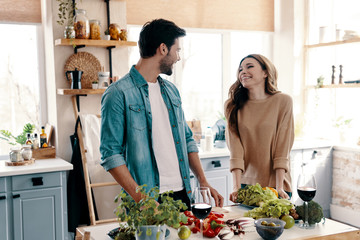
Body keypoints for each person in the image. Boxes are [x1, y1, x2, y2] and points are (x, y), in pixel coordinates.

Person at [100, 19, 224, 208]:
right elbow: (111, 154)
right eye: (178, 50)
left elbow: (188, 139)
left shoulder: (171, 91)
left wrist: (202, 180)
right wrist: (144, 200)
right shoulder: (118, 93)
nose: (178, 57)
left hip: (182, 194)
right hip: (147, 198)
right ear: (163, 49)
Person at [224, 54, 294, 202]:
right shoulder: (233, 106)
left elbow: (283, 146)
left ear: (265, 72)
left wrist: (279, 187)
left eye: (250, 66)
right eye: (240, 69)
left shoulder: (283, 101)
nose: (243, 71)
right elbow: (235, 151)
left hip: (277, 185)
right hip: (246, 186)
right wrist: (236, 187)